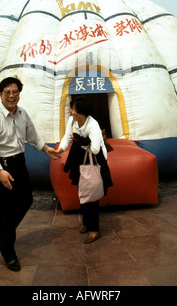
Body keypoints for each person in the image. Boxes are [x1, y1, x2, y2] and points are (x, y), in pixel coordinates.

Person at [0, 76, 59, 271]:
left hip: (19, 164)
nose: (11, 96)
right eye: (7, 92)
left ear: (19, 94)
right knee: (6, 211)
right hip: (0, 166)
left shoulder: (22, 113)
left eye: (15, 92)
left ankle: (2, 227)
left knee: (26, 201)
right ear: (1, 95)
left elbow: (31, 134)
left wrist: (45, 148)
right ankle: (9, 255)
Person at [55, 96, 113, 244]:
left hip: (95, 159)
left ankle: (94, 230)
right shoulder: (72, 120)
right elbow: (68, 137)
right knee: (82, 190)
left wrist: (82, 141)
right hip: (79, 156)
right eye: (72, 108)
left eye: (74, 110)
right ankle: (87, 224)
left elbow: (94, 149)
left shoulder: (93, 125)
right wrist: (60, 150)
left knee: (91, 195)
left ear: (83, 113)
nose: (71, 112)